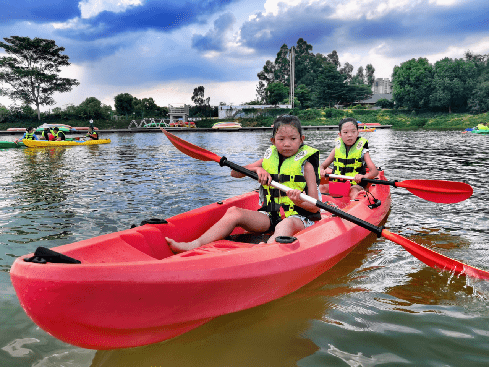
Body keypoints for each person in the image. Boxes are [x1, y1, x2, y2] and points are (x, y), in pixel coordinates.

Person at [166, 115, 322, 253]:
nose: (287, 144)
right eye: (281, 139)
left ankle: (266, 251)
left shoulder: (306, 166)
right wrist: (257, 169)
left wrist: (298, 200)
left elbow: (315, 206)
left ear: (302, 139)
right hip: (271, 216)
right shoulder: (267, 160)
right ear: (273, 141)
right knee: (234, 212)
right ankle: (195, 244)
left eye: (293, 139)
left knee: (285, 224)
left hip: (298, 218)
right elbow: (234, 173)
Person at [319, 117, 378, 200]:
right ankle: (319, 209)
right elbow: (322, 166)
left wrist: (363, 176)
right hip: (338, 184)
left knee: (353, 190)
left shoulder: (363, 151)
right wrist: (322, 170)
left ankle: (354, 208)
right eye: (345, 132)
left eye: (353, 132)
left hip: (355, 185)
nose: (349, 135)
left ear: (357, 133)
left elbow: (374, 172)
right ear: (340, 134)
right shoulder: (336, 150)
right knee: (321, 188)